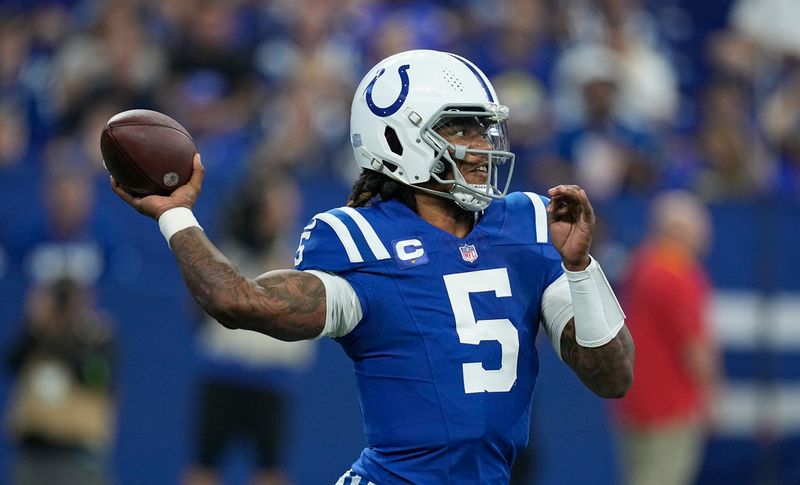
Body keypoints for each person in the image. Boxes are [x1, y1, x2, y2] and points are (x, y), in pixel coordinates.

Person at [110, 49, 634, 484]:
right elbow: (238, 302)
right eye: (462, 130)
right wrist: (176, 215)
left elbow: (612, 376)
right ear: (395, 138)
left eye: (485, 129)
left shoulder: (527, 223)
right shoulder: (359, 240)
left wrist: (581, 268)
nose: (482, 147)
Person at [184, 174, 314, 485]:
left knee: (270, 467)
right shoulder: (233, 243)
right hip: (224, 372)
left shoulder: (302, 251)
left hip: (272, 378)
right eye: (276, 202)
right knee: (205, 461)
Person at [614, 190, 720, 485]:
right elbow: (693, 347)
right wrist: (711, 394)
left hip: (634, 399)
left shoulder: (642, 263)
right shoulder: (678, 273)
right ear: (680, 231)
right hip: (670, 405)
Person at [5, 278, 115, 485]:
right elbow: (12, 363)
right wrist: (35, 327)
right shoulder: (37, 333)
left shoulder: (98, 337)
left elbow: (95, 377)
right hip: (32, 456)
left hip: (78, 455)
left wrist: (74, 330)